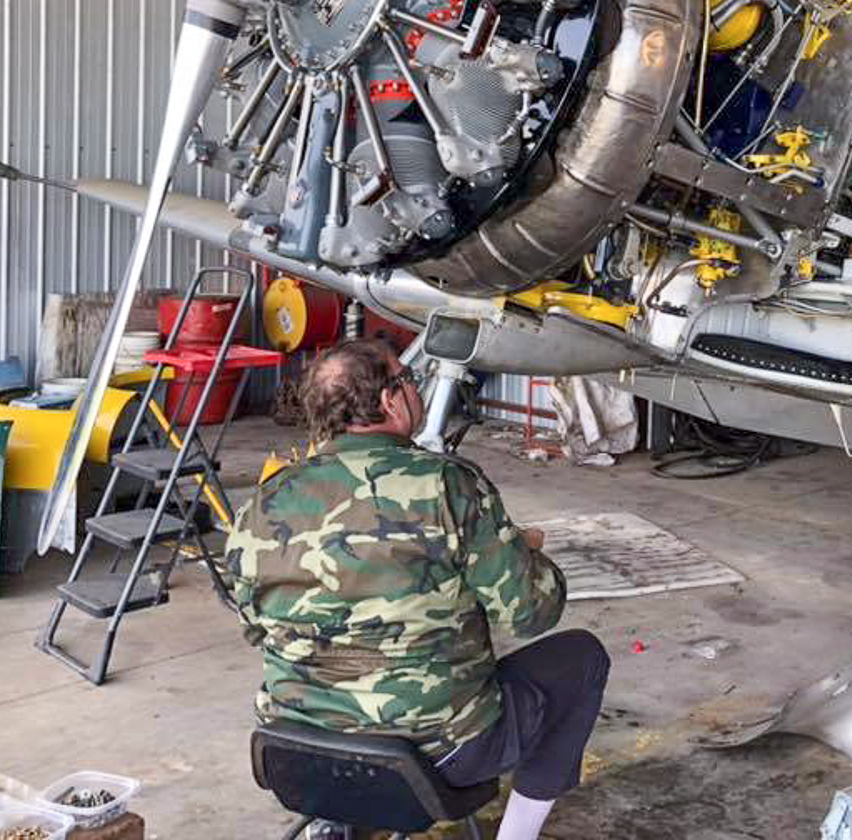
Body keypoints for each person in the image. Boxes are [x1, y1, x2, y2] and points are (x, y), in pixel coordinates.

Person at [224, 338, 609, 840]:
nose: (416, 388)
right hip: (439, 755)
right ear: (390, 401)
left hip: (293, 752)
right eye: (407, 379)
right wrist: (522, 551)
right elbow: (531, 613)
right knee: (582, 657)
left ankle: (334, 821)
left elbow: (254, 628)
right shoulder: (446, 485)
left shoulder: (262, 503)